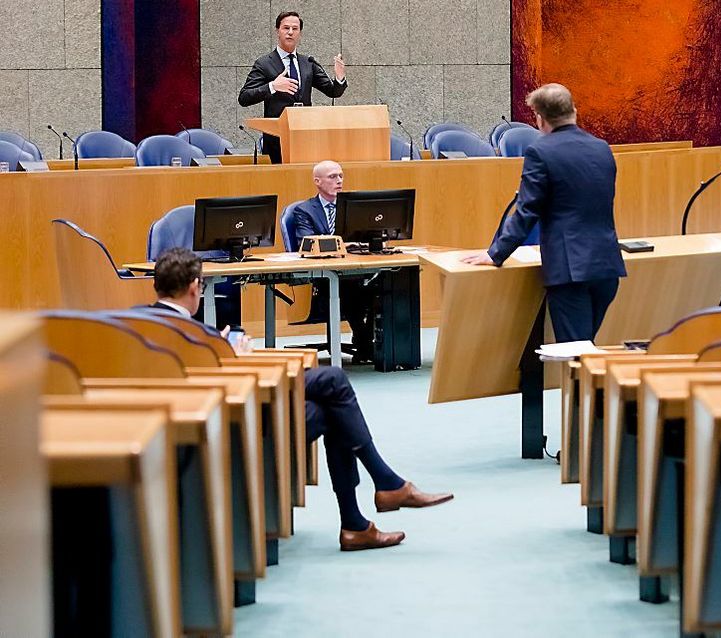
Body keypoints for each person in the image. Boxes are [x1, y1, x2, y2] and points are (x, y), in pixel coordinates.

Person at [147, 248, 453, 551]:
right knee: (334, 390)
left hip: (169, 426)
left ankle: (362, 517)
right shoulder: (197, 338)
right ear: (193, 288)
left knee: (332, 407)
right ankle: (376, 497)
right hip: (231, 426)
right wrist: (232, 356)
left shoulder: (138, 327)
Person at [461, 83, 626, 342]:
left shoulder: (541, 152)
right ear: (574, 110)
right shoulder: (601, 147)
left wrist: (495, 253)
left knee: (575, 354)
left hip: (571, 269)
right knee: (586, 351)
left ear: (539, 118)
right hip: (607, 265)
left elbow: (527, 212)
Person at [291, 160, 376, 362]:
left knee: (387, 280)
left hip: (357, 266)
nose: (339, 181)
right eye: (332, 177)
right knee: (349, 287)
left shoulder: (354, 206)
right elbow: (308, 243)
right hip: (325, 272)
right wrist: (343, 245)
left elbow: (367, 236)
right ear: (317, 181)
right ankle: (364, 341)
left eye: (340, 176)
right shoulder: (304, 210)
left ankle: (367, 339)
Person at [238, 11, 348, 164]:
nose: (290, 32)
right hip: (277, 140)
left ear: (300, 33)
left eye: (295, 29)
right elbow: (244, 97)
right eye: (286, 28)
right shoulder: (264, 63)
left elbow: (333, 91)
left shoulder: (308, 62)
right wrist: (272, 86)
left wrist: (339, 77)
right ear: (278, 31)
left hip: (306, 136)